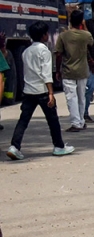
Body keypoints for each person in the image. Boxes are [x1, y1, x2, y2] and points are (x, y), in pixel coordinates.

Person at [7, 22, 74, 160]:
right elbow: (46, 73)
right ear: (44, 35)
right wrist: (51, 93)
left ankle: (14, 146)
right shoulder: (44, 51)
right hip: (42, 91)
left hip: (29, 91)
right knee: (53, 120)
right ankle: (59, 146)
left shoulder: (26, 51)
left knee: (23, 120)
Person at [54, 10, 94, 132]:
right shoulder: (86, 35)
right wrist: (85, 25)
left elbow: (59, 54)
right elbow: (91, 45)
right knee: (82, 97)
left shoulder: (63, 36)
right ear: (81, 21)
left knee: (71, 98)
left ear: (70, 20)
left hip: (68, 71)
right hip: (82, 70)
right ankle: (81, 121)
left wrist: (58, 70)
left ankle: (75, 123)